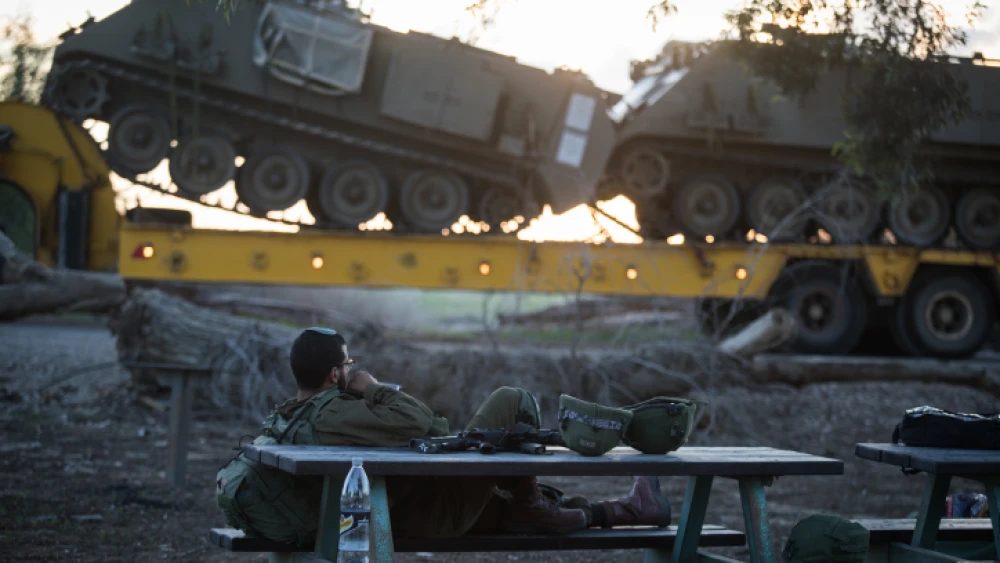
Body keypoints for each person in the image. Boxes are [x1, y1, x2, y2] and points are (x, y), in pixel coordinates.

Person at [216, 327, 672, 546]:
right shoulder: (336, 412)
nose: (352, 370)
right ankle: (532, 503)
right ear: (335, 374)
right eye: (348, 365)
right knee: (511, 401)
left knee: (515, 510)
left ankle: (632, 509)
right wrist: (371, 386)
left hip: (393, 512)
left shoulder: (288, 417)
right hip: (411, 518)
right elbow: (426, 424)